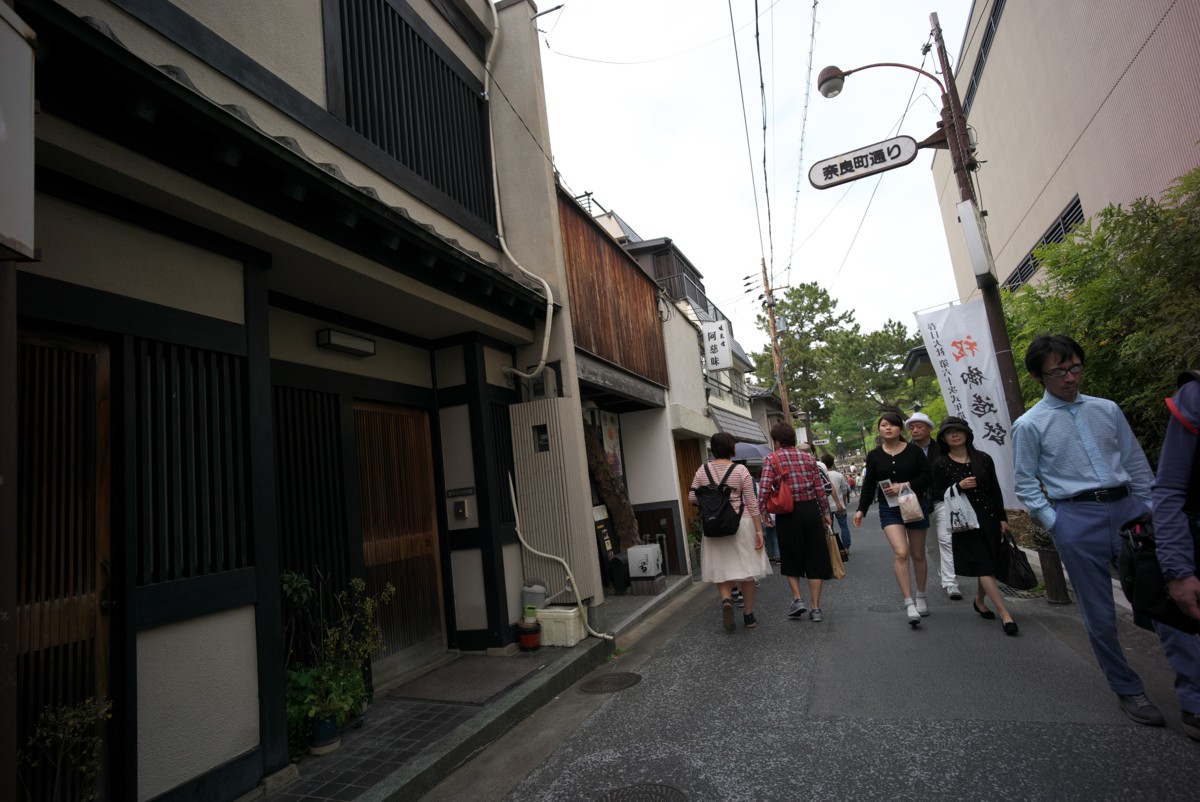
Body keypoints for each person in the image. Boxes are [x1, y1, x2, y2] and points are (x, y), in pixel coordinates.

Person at [1013, 334, 1200, 727]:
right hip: (1076, 517)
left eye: (1076, 367)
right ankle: (1127, 687)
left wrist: (1151, 512)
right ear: (1038, 376)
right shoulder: (1029, 424)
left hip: (1130, 511)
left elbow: (1136, 464)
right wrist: (1057, 522)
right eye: (1059, 370)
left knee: (1169, 599)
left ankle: (1193, 696)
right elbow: (1026, 483)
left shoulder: (1107, 409)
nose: (1070, 377)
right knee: (1099, 612)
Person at [929, 417, 1017, 635]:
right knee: (983, 564)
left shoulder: (983, 459)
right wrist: (957, 486)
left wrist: (1002, 518)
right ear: (943, 438)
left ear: (967, 433)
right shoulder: (941, 464)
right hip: (965, 522)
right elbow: (936, 494)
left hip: (987, 517)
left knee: (988, 565)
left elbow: (994, 491)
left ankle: (979, 601)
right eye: (949, 432)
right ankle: (1005, 614)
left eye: (958, 430)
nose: (955, 435)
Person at [1151, 370, 1200, 740]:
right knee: (1181, 620)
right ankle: (1194, 699)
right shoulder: (1194, 396)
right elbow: (1169, 487)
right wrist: (1178, 566)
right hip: (1193, 537)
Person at [853, 411, 933, 627]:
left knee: (917, 554)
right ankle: (908, 602)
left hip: (914, 505)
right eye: (884, 425)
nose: (888, 428)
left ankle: (921, 596)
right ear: (879, 429)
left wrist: (904, 485)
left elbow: (927, 477)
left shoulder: (915, 451)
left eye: (893, 425)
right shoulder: (875, 455)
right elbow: (869, 484)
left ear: (900, 429)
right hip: (890, 510)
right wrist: (861, 509)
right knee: (901, 552)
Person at [688, 432, 771, 632]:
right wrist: (759, 532)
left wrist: (712, 503)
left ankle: (726, 600)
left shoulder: (702, 470)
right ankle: (749, 616)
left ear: (713, 450)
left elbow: (692, 497)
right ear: (731, 448)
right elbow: (751, 503)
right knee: (747, 571)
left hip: (714, 525)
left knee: (722, 568)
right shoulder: (740, 470)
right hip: (740, 523)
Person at [758, 422, 833, 623]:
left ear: (777, 441)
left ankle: (797, 599)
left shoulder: (772, 459)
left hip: (787, 513)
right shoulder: (809, 458)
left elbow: (764, 488)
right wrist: (825, 512)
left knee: (791, 556)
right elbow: (819, 489)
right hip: (810, 510)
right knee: (815, 557)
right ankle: (816, 608)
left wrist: (763, 512)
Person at [907, 412, 962, 600]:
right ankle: (943, 573)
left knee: (946, 539)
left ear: (929, 428)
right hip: (918, 503)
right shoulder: (906, 450)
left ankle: (950, 582)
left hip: (941, 499)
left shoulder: (942, 448)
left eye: (919, 426)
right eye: (912, 427)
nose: (915, 430)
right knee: (930, 545)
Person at [821, 454, 852, 561]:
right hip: (839, 505)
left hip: (827, 507)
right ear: (832, 462)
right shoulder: (839, 475)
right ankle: (846, 546)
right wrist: (843, 502)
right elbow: (844, 490)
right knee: (844, 526)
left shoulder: (821, 475)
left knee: (830, 527)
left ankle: (834, 548)